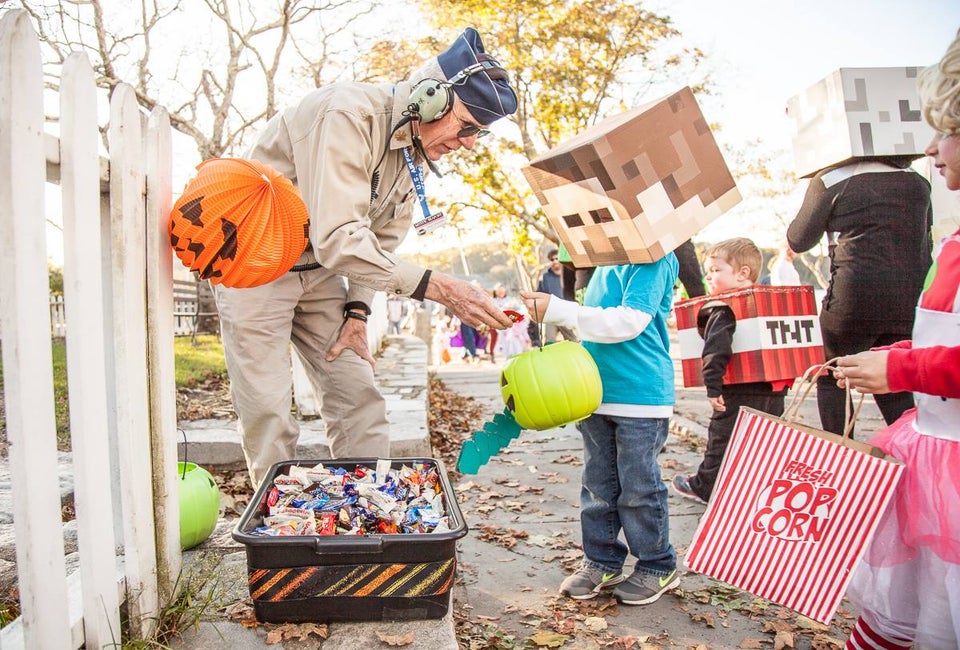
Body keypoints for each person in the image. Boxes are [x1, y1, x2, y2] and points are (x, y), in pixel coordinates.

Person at [213, 28, 518, 488]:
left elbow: (382, 241)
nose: (470, 143)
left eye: (480, 133)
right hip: (255, 267)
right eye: (469, 125)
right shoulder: (347, 115)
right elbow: (339, 237)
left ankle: (369, 511)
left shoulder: (410, 153)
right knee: (270, 412)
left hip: (317, 277)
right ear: (430, 99)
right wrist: (440, 288)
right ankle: (280, 539)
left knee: (359, 397)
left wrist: (357, 312)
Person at [833, 32, 960, 650]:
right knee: (902, 607)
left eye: (948, 132)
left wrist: (907, 371)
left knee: (943, 606)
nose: (933, 149)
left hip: (952, 467)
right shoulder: (948, 242)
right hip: (933, 449)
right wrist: (896, 358)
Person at [520, 251, 680, 606]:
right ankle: (601, 561)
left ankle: (657, 565)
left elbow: (628, 322)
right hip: (594, 392)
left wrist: (558, 309)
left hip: (640, 394)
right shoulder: (604, 262)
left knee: (639, 486)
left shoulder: (654, 259)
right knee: (597, 486)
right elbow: (591, 325)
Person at [786, 125, 933, 437]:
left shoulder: (830, 179)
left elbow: (798, 240)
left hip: (854, 296)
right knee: (890, 375)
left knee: (831, 372)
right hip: (910, 297)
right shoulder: (917, 182)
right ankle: (911, 453)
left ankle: (842, 455)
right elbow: (925, 239)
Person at [672, 238, 790, 504]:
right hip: (774, 389)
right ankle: (756, 489)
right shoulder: (768, 302)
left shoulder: (725, 307)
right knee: (763, 442)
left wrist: (712, 385)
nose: (709, 277)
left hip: (736, 391)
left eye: (716, 270)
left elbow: (716, 348)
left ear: (742, 273)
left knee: (721, 441)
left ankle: (705, 486)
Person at [531, 248, 579, 344]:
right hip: (550, 312)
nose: (555, 261)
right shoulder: (545, 278)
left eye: (557, 258)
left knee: (573, 340)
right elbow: (539, 293)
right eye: (552, 260)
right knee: (549, 341)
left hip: (567, 312)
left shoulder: (570, 275)